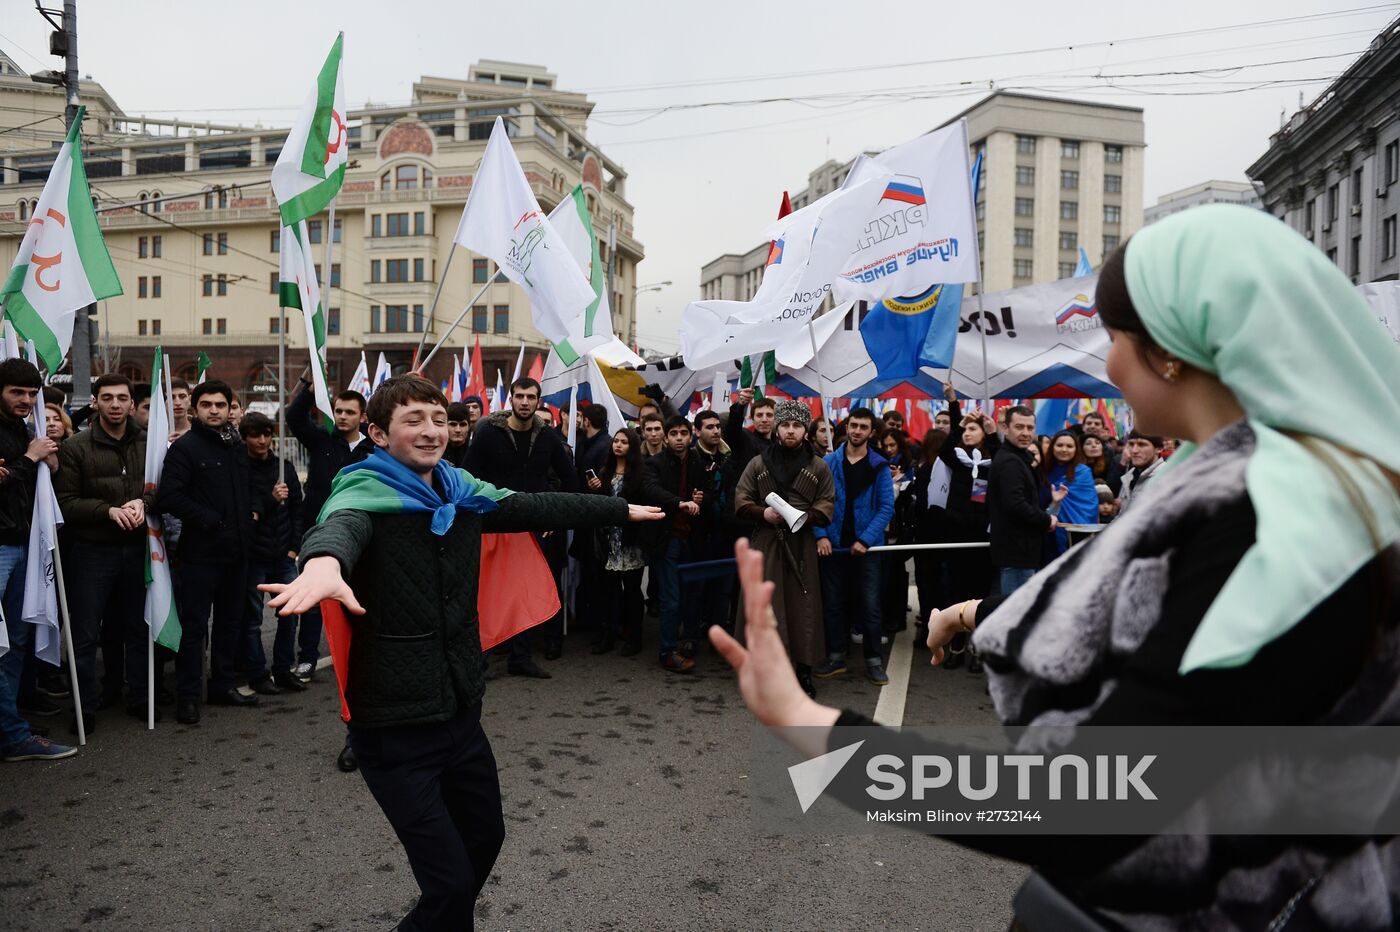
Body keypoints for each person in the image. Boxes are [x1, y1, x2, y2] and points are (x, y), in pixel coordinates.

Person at [714, 204, 1400, 927]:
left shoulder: (1263, 524)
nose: (1106, 366)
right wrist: (973, 612)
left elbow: (1093, 799)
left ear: (1171, 351)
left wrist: (814, 727)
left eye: (1115, 338)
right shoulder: (1283, 495)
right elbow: (1153, 623)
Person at [261, 374, 661, 932]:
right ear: (377, 433)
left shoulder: (462, 490)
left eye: (438, 420)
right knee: (448, 885)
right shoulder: (362, 495)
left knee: (484, 840)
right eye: (413, 421)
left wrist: (618, 512)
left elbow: (534, 505)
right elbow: (336, 530)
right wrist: (323, 565)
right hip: (394, 726)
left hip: (461, 711)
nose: (431, 432)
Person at [156, 379, 261, 724]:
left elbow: (247, 489)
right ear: (195, 409)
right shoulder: (184, 449)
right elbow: (169, 497)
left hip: (238, 553)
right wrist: (210, 520)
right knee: (194, 628)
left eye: (220, 404)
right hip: (201, 554)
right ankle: (188, 697)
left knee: (230, 623)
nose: (214, 410)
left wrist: (252, 512)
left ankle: (222, 685)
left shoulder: (236, 445)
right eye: (207, 405)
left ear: (230, 408)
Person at [53, 374, 155, 729]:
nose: (115, 404)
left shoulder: (148, 443)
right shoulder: (76, 447)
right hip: (92, 551)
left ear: (131, 402)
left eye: (122, 398)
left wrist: (145, 502)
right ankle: (85, 708)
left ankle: (141, 697)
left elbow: (163, 488)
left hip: (137, 549)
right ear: (95, 402)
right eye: (107, 398)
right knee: (85, 633)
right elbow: (65, 502)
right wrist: (108, 511)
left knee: (137, 629)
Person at [464, 376, 577, 673]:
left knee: (524, 591)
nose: (525, 402)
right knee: (488, 592)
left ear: (539, 401)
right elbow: (467, 476)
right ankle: (480, 658)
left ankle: (520, 657)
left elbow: (570, 479)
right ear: (511, 399)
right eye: (520, 396)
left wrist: (554, 513)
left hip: (530, 526)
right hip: (493, 523)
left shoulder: (548, 437)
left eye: (531, 397)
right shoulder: (488, 433)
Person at [0, 358, 75, 762]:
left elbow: (41, 487)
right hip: (2, 549)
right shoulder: (23, 439)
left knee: (14, 644)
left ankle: (10, 731)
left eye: (32, 393)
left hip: (26, 546)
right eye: (17, 392)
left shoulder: (28, 430)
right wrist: (29, 459)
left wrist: (52, 464)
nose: (26, 400)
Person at [735, 400, 834, 699]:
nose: (791, 430)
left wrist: (806, 517)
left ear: (806, 430)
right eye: (786, 425)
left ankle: (803, 671)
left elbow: (828, 503)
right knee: (766, 608)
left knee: (802, 608)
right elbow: (740, 499)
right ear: (777, 428)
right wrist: (762, 513)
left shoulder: (818, 465)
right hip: (766, 542)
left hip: (802, 544)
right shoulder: (758, 463)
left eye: (797, 425)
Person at [288, 383, 373, 684]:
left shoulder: (373, 451)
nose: (342, 417)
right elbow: (294, 418)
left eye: (350, 412)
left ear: (362, 417)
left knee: (358, 597)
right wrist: (309, 390)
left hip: (360, 533)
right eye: (338, 411)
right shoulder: (322, 441)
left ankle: (361, 658)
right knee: (314, 600)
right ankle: (307, 659)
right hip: (319, 530)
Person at [811, 408, 895, 686]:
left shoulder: (879, 466)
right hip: (833, 547)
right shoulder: (827, 462)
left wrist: (866, 540)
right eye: (853, 425)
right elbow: (815, 503)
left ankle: (873, 661)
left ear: (872, 433)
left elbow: (886, 508)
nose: (857, 431)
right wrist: (821, 534)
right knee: (833, 604)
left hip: (866, 549)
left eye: (863, 427)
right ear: (846, 428)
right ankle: (836, 655)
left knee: (870, 606)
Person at [239, 411, 306, 695]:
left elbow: (297, 510)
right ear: (245, 438)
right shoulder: (239, 470)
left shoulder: (284, 467)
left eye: (267, 434)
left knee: (289, 615)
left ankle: (283, 669)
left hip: (283, 555)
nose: (263, 440)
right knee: (252, 620)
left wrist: (294, 548)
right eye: (256, 435)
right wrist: (270, 497)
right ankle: (257, 673)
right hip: (254, 556)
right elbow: (247, 513)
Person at [641, 416, 708, 672]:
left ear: (691, 435)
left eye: (683, 433)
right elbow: (651, 489)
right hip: (665, 537)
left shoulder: (697, 462)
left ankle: (689, 640)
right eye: (674, 434)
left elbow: (708, 491)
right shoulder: (655, 463)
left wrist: (703, 497)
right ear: (667, 438)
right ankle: (667, 651)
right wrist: (679, 503)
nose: (679, 438)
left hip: (691, 536)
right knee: (671, 598)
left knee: (691, 593)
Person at [586, 428, 648, 655]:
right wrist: (595, 489)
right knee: (607, 590)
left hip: (630, 541)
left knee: (632, 591)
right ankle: (607, 635)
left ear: (632, 446)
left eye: (624, 442)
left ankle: (634, 637)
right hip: (607, 541)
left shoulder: (640, 474)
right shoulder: (605, 472)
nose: (618, 445)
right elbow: (599, 505)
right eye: (616, 441)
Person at [987, 406, 1059, 597]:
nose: (1025, 433)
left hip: (1022, 549)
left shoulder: (1019, 458)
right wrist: (1046, 519)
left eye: (1030, 427)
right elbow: (1015, 504)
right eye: (1019, 427)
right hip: (1017, 551)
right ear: (1006, 428)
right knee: (1016, 616)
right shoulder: (1010, 461)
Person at [1043, 429, 1100, 557]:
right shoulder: (1043, 470)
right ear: (1052, 447)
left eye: (1069, 446)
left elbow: (1089, 506)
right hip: (1047, 530)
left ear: (1076, 449)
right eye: (1059, 445)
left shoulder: (1084, 472)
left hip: (1076, 534)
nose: (1064, 449)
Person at [1116, 430, 1165, 516]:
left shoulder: (1167, 477)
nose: (1134, 450)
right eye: (1131, 444)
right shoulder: (1129, 476)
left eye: (1142, 445)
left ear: (1159, 449)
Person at [725, 389, 775, 472]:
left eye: (769, 415)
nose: (764, 419)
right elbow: (732, 430)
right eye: (759, 415)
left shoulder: (780, 444)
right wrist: (740, 405)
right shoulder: (744, 439)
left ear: (776, 418)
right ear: (752, 419)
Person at [443, 402, 472, 468]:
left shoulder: (476, 453)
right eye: (453, 424)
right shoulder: (436, 453)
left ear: (469, 427)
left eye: (462, 425)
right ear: (445, 425)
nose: (458, 430)